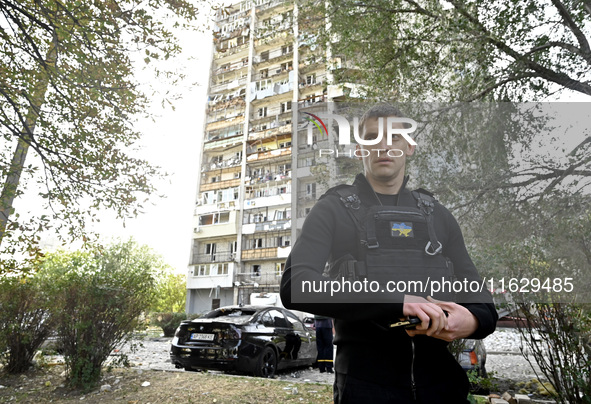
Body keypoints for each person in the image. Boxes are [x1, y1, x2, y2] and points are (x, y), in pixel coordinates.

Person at [280, 104, 498, 403]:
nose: (383, 145)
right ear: (359, 150)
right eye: (372, 138)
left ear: (409, 146)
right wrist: (398, 302)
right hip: (364, 389)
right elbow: (297, 285)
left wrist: (470, 322)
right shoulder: (332, 209)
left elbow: (482, 304)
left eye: (394, 137)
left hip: (443, 389)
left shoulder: (438, 215)